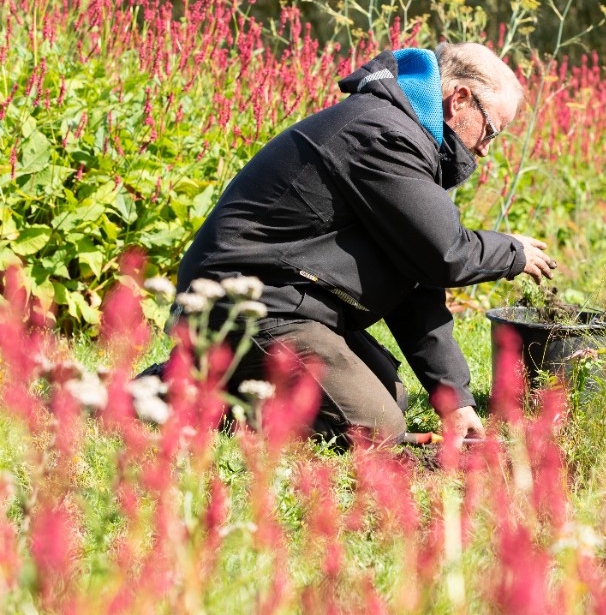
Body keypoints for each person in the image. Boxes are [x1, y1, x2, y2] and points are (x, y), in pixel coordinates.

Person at [166, 42, 556, 448]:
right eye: (490, 131)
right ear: (459, 100)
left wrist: (453, 398)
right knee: (376, 429)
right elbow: (445, 254)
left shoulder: (402, 133)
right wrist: (513, 253)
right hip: (244, 305)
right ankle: (180, 389)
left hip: (285, 300)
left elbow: (417, 279)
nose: (484, 150)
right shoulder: (385, 135)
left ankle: (216, 378)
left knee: (392, 395)